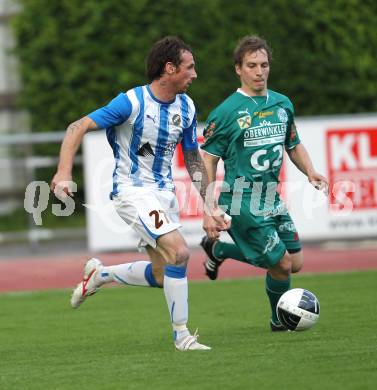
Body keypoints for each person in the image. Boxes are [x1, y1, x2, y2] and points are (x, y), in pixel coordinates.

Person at [51, 36, 228, 350]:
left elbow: (191, 159)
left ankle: (100, 275)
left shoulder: (186, 106)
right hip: (132, 193)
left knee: (163, 275)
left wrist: (210, 205)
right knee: (181, 252)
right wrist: (63, 173)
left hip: (164, 195)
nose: (195, 74)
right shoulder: (131, 102)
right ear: (169, 68)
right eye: (190, 67)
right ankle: (183, 336)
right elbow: (76, 127)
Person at [199, 35, 328, 331]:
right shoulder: (226, 112)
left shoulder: (282, 103)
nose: (259, 71)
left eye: (264, 65)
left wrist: (310, 171)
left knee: (295, 263)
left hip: (271, 196)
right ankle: (279, 320)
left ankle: (219, 251)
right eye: (252, 65)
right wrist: (209, 205)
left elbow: (292, 144)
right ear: (238, 69)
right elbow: (207, 160)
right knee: (281, 264)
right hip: (242, 199)